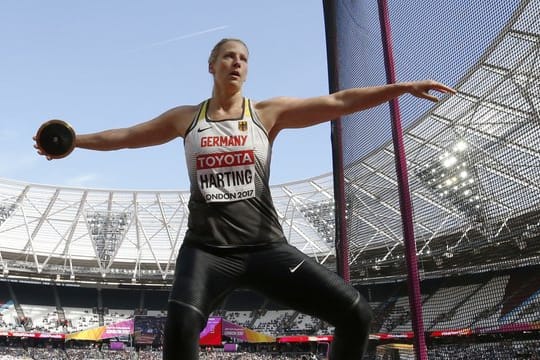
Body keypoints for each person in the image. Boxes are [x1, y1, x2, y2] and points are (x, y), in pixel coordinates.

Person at [34, 38, 455, 359]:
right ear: (212, 65)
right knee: (179, 330)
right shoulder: (187, 119)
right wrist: (75, 142)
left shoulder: (266, 114)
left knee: (356, 313)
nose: (237, 62)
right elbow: (127, 137)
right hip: (206, 252)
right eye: (229, 56)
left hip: (266, 249)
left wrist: (399, 87)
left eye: (244, 58)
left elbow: (338, 102)